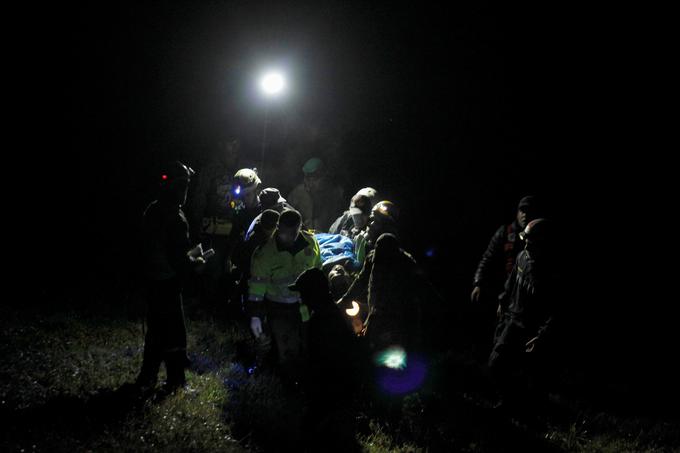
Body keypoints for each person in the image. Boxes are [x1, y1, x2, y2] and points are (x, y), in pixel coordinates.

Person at [135, 161, 207, 393]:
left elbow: (153, 247)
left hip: (151, 280)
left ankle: (147, 377)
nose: (187, 191)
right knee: (175, 332)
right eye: (185, 186)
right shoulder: (175, 217)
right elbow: (177, 258)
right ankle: (176, 382)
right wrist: (196, 263)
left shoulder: (153, 209)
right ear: (180, 187)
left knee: (156, 330)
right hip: (167, 282)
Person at [488, 218, 562, 414]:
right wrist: (502, 300)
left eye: (532, 240)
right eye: (526, 238)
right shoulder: (522, 257)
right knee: (496, 363)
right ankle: (511, 402)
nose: (526, 242)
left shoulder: (549, 275)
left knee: (518, 371)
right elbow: (511, 280)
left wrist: (541, 336)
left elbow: (555, 311)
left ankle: (519, 408)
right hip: (512, 319)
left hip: (528, 328)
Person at [247, 209, 322, 382]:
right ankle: (289, 386)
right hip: (279, 310)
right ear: (277, 227)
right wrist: (256, 316)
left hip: (306, 308)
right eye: (283, 233)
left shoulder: (311, 243)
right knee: (287, 352)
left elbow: (318, 271)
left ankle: (305, 383)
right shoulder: (265, 254)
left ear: (300, 228)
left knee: (308, 348)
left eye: (292, 234)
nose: (287, 237)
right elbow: (256, 290)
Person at [287, 157, 344, 232]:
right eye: (309, 179)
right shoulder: (297, 194)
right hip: (303, 236)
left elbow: (339, 218)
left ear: (324, 177)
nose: (312, 184)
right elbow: (287, 218)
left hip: (327, 236)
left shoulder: (334, 193)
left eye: (315, 179)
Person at [353, 200, 399, 267]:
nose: (371, 224)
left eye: (377, 222)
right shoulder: (362, 241)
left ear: (387, 228)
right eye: (371, 219)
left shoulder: (390, 257)